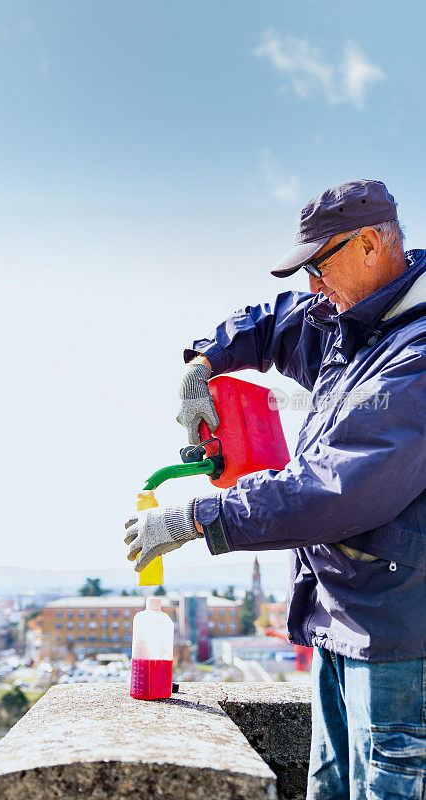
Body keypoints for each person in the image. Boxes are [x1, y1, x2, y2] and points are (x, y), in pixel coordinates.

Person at [124, 179, 426, 799]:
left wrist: (202, 517)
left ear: (370, 244)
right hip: (343, 621)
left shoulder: (414, 356)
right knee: (330, 787)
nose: (313, 284)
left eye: (320, 265)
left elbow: (336, 490)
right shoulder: (353, 320)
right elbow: (275, 322)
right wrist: (204, 363)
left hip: (402, 639)